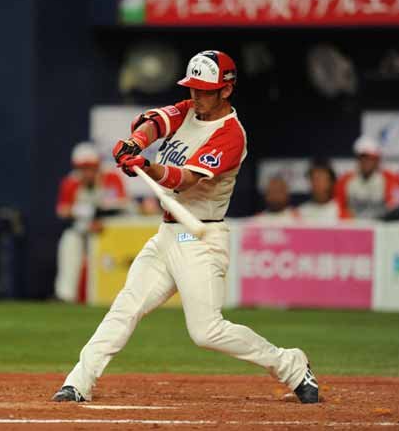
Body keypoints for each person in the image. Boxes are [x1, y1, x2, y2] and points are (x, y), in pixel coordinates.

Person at [52, 50, 318, 404]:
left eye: (204, 90)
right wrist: (135, 144)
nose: (196, 96)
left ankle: (290, 364)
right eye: (192, 88)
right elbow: (156, 122)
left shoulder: (230, 135)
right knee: (126, 306)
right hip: (168, 234)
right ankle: (78, 383)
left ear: (226, 90)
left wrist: (146, 166)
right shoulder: (190, 108)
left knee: (206, 331)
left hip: (200, 238)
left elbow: (184, 179)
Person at [54, 142, 127, 303]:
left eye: (91, 168)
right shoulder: (71, 181)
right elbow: (62, 210)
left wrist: (100, 216)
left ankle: (108, 296)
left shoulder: (111, 177)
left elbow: (121, 204)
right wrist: (84, 211)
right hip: (83, 228)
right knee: (69, 241)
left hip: (107, 230)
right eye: (83, 168)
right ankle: (65, 296)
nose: (87, 172)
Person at [335, 136, 399, 219]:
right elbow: (339, 208)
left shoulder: (391, 179)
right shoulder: (345, 180)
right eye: (363, 157)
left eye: (371, 158)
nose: (367, 161)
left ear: (377, 159)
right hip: (353, 224)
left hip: (382, 224)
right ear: (358, 158)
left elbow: (396, 208)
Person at [297, 158, 341, 223]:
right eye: (314, 178)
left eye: (321, 178)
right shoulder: (300, 212)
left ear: (331, 182)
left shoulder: (341, 210)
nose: (317, 183)